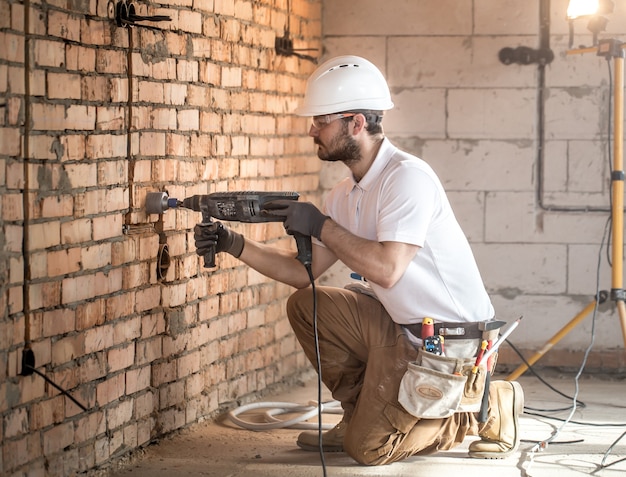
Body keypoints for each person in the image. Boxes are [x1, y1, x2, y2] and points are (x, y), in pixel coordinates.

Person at [194, 55, 524, 466]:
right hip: (398, 326)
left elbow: (388, 269)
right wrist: (234, 243)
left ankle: (487, 401)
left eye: (320, 121)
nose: (311, 130)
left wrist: (320, 226)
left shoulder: (407, 178)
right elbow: (304, 274)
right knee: (308, 305)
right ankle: (358, 412)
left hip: (450, 341)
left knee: (368, 449)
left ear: (355, 124)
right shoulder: (344, 195)